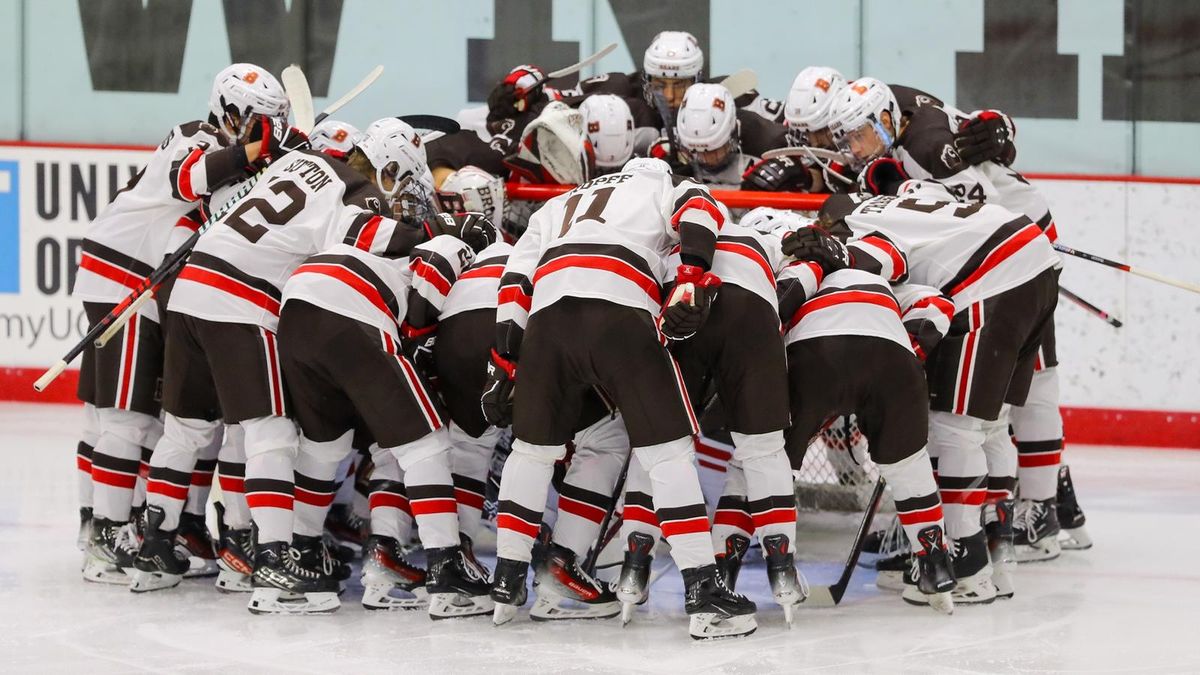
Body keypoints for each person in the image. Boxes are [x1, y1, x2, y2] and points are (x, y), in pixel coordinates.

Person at [129, 118, 486, 606]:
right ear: (386, 171)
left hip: (192, 288)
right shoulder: (353, 187)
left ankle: (154, 544)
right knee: (270, 432)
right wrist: (437, 227)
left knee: (185, 430)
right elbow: (368, 234)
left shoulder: (294, 163)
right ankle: (276, 560)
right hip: (244, 299)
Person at [483, 157, 757, 639]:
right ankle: (702, 588)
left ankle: (507, 581)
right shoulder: (663, 187)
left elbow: (515, 277)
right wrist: (691, 274)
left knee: (531, 453)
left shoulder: (562, 200)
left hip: (548, 319)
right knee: (668, 454)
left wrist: (505, 360)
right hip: (621, 306)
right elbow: (699, 211)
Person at [829, 77, 1085, 563]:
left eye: (856, 135)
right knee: (997, 405)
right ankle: (1035, 510)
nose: (848, 149)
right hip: (1008, 256)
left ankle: (1040, 508)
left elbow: (974, 206)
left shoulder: (923, 144)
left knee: (1022, 393)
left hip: (1013, 255)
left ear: (885, 118)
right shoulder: (904, 128)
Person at [788, 181, 1060, 603]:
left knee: (955, 429)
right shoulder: (897, 206)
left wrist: (838, 253)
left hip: (990, 281)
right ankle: (998, 558)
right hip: (1032, 264)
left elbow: (883, 258)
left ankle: (966, 565)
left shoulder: (860, 224)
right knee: (991, 426)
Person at [72, 62, 289, 585]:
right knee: (127, 419)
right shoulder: (194, 136)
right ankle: (104, 535)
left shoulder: (221, 150)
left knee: (137, 418)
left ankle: (113, 526)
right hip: (124, 277)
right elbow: (189, 178)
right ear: (230, 112)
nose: (265, 133)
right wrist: (259, 154)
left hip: (140, 279)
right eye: (258, 123)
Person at [277, 210, 497, 618]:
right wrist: (419, 340)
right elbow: (430, 281)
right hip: (353, 306)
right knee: (426, 443)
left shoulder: (389, 240)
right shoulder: (457, 246)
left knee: (329, 445)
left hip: (297, 304)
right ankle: (446, 565)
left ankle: (303, 553)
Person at [672, 83, 787, 187]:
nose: (705, 160)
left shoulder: (770, 141)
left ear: (733, 135)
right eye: (695, 151)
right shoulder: (672, 134)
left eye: (713, 151)